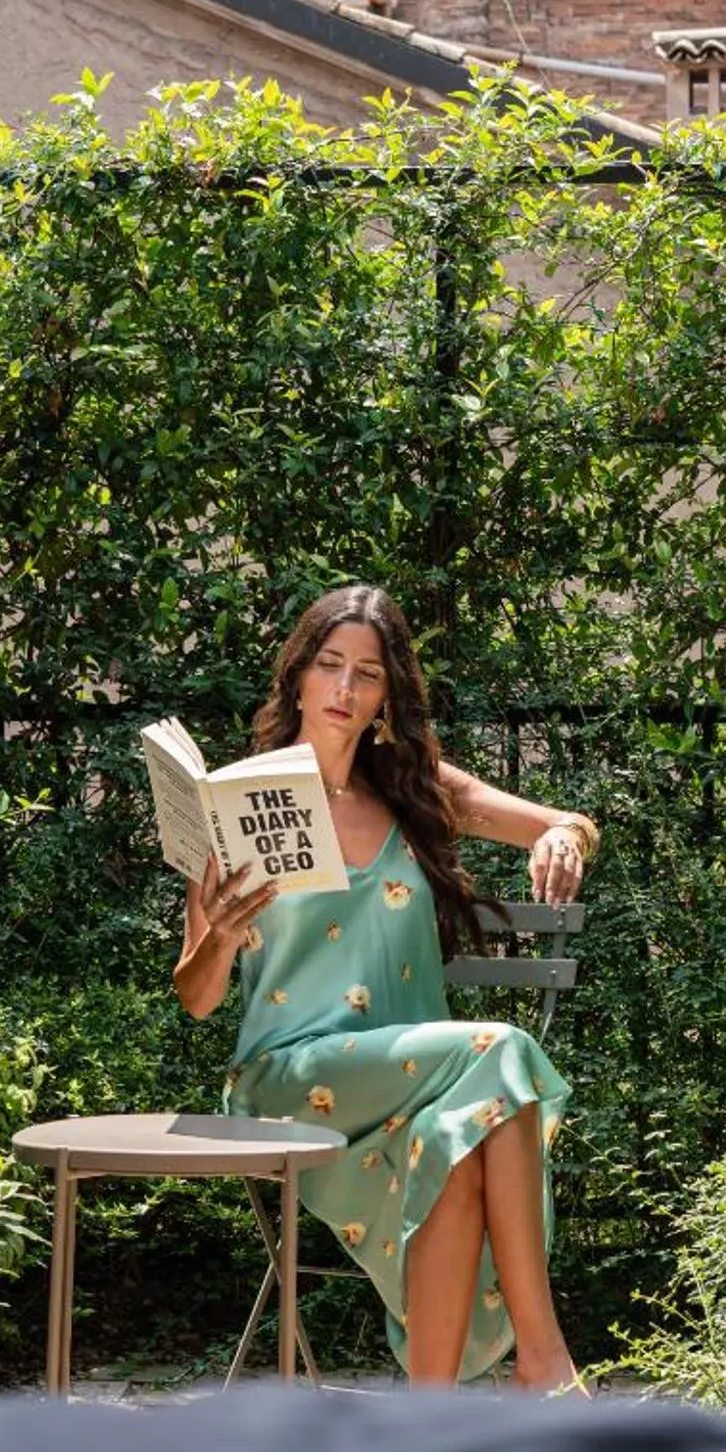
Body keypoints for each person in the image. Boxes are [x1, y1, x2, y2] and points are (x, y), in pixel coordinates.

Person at [172, 585, 599, 1390]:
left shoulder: (414, 789)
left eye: (366, 675)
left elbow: (564, 820)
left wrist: (563, 840)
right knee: (502, 1050)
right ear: (296, 677)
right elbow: (196, 998)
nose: (344, 690)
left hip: (424, 1087)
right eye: (329, 667)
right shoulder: (240, 803)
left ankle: (423, 1425)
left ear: (385, 696)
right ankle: (544, 1359)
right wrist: (223, 935)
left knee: (457, 1143)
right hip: (288, 1081)